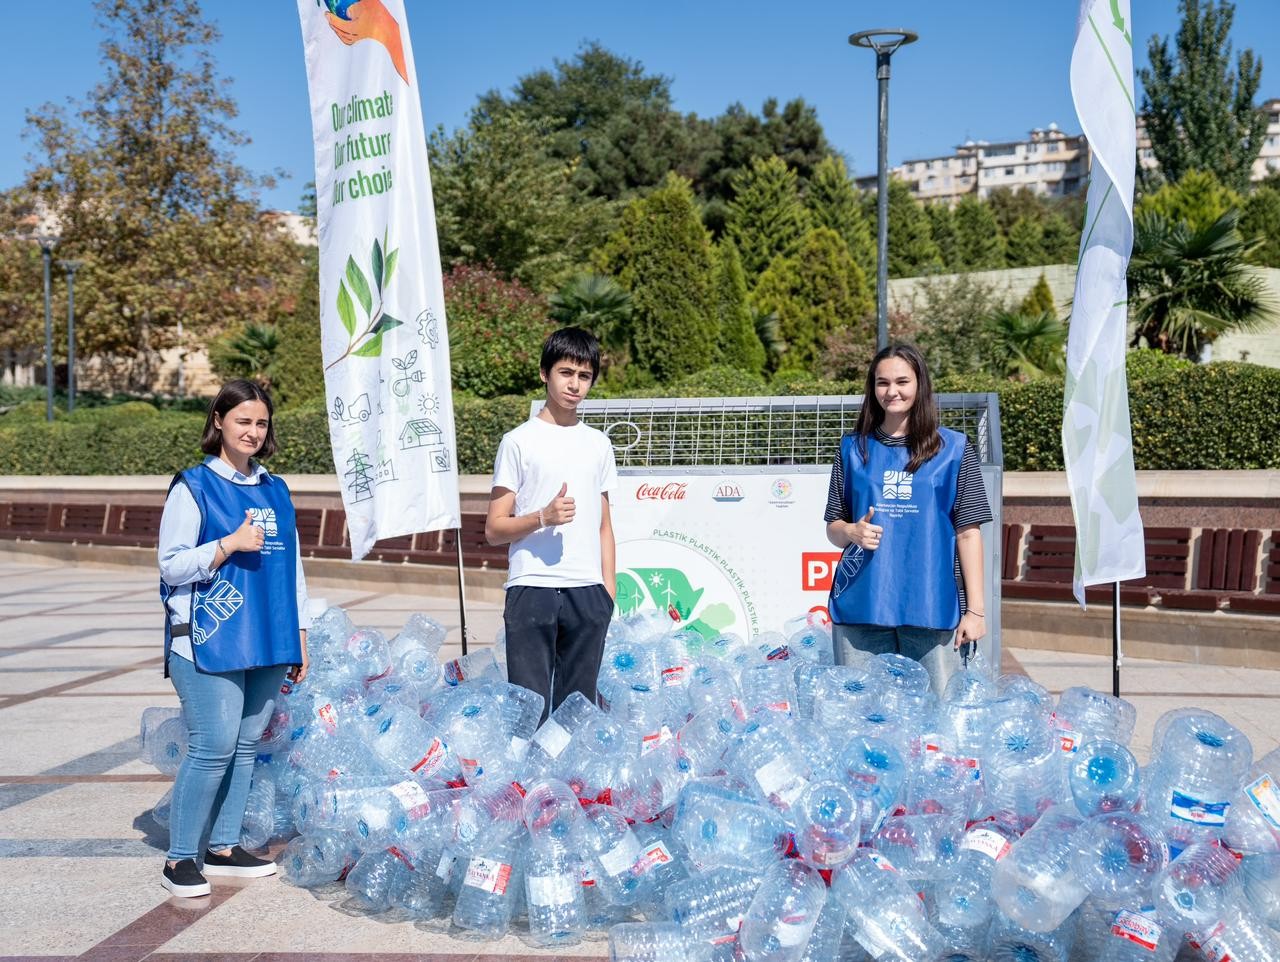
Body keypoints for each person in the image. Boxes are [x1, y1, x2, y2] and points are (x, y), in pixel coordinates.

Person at [157, 379, 310, 897]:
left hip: (268, 635)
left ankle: (223, 847)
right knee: (213, 745)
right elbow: (172, 565)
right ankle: (180, 857)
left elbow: (293, 569)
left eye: (260, 422)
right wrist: (228, 544)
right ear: (219, 421)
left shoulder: (276, 488)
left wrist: (301, 633)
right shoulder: (193, 486)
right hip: (208, 637)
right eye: (242, 420)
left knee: (246, 745)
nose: (251, 431)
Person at [824, 343, 992, 694]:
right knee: (861, 717)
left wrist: (975, 611)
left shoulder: (955, 450)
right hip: (862, 605)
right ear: (872, 388)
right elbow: (834, 528)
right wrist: (851, 531)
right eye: (882, 383)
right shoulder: (852, 449)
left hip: (932, 605)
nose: (892, 391)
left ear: (920, 384)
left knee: (936, 717)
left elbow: (968, 533)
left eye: (902, 381)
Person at [485, 328, 618, 724]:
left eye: (584, 375)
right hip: (531, 589)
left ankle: (569, 788)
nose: (575, 384)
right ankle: (530, 787)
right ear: (545, 373)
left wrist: (606, 593)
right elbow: (494, 528)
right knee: (528, 713)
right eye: (566, 372)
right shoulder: (518, 442)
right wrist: (542, 517)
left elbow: (605, 527)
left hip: (587, 594)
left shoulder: (599, 444)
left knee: (577, 716)